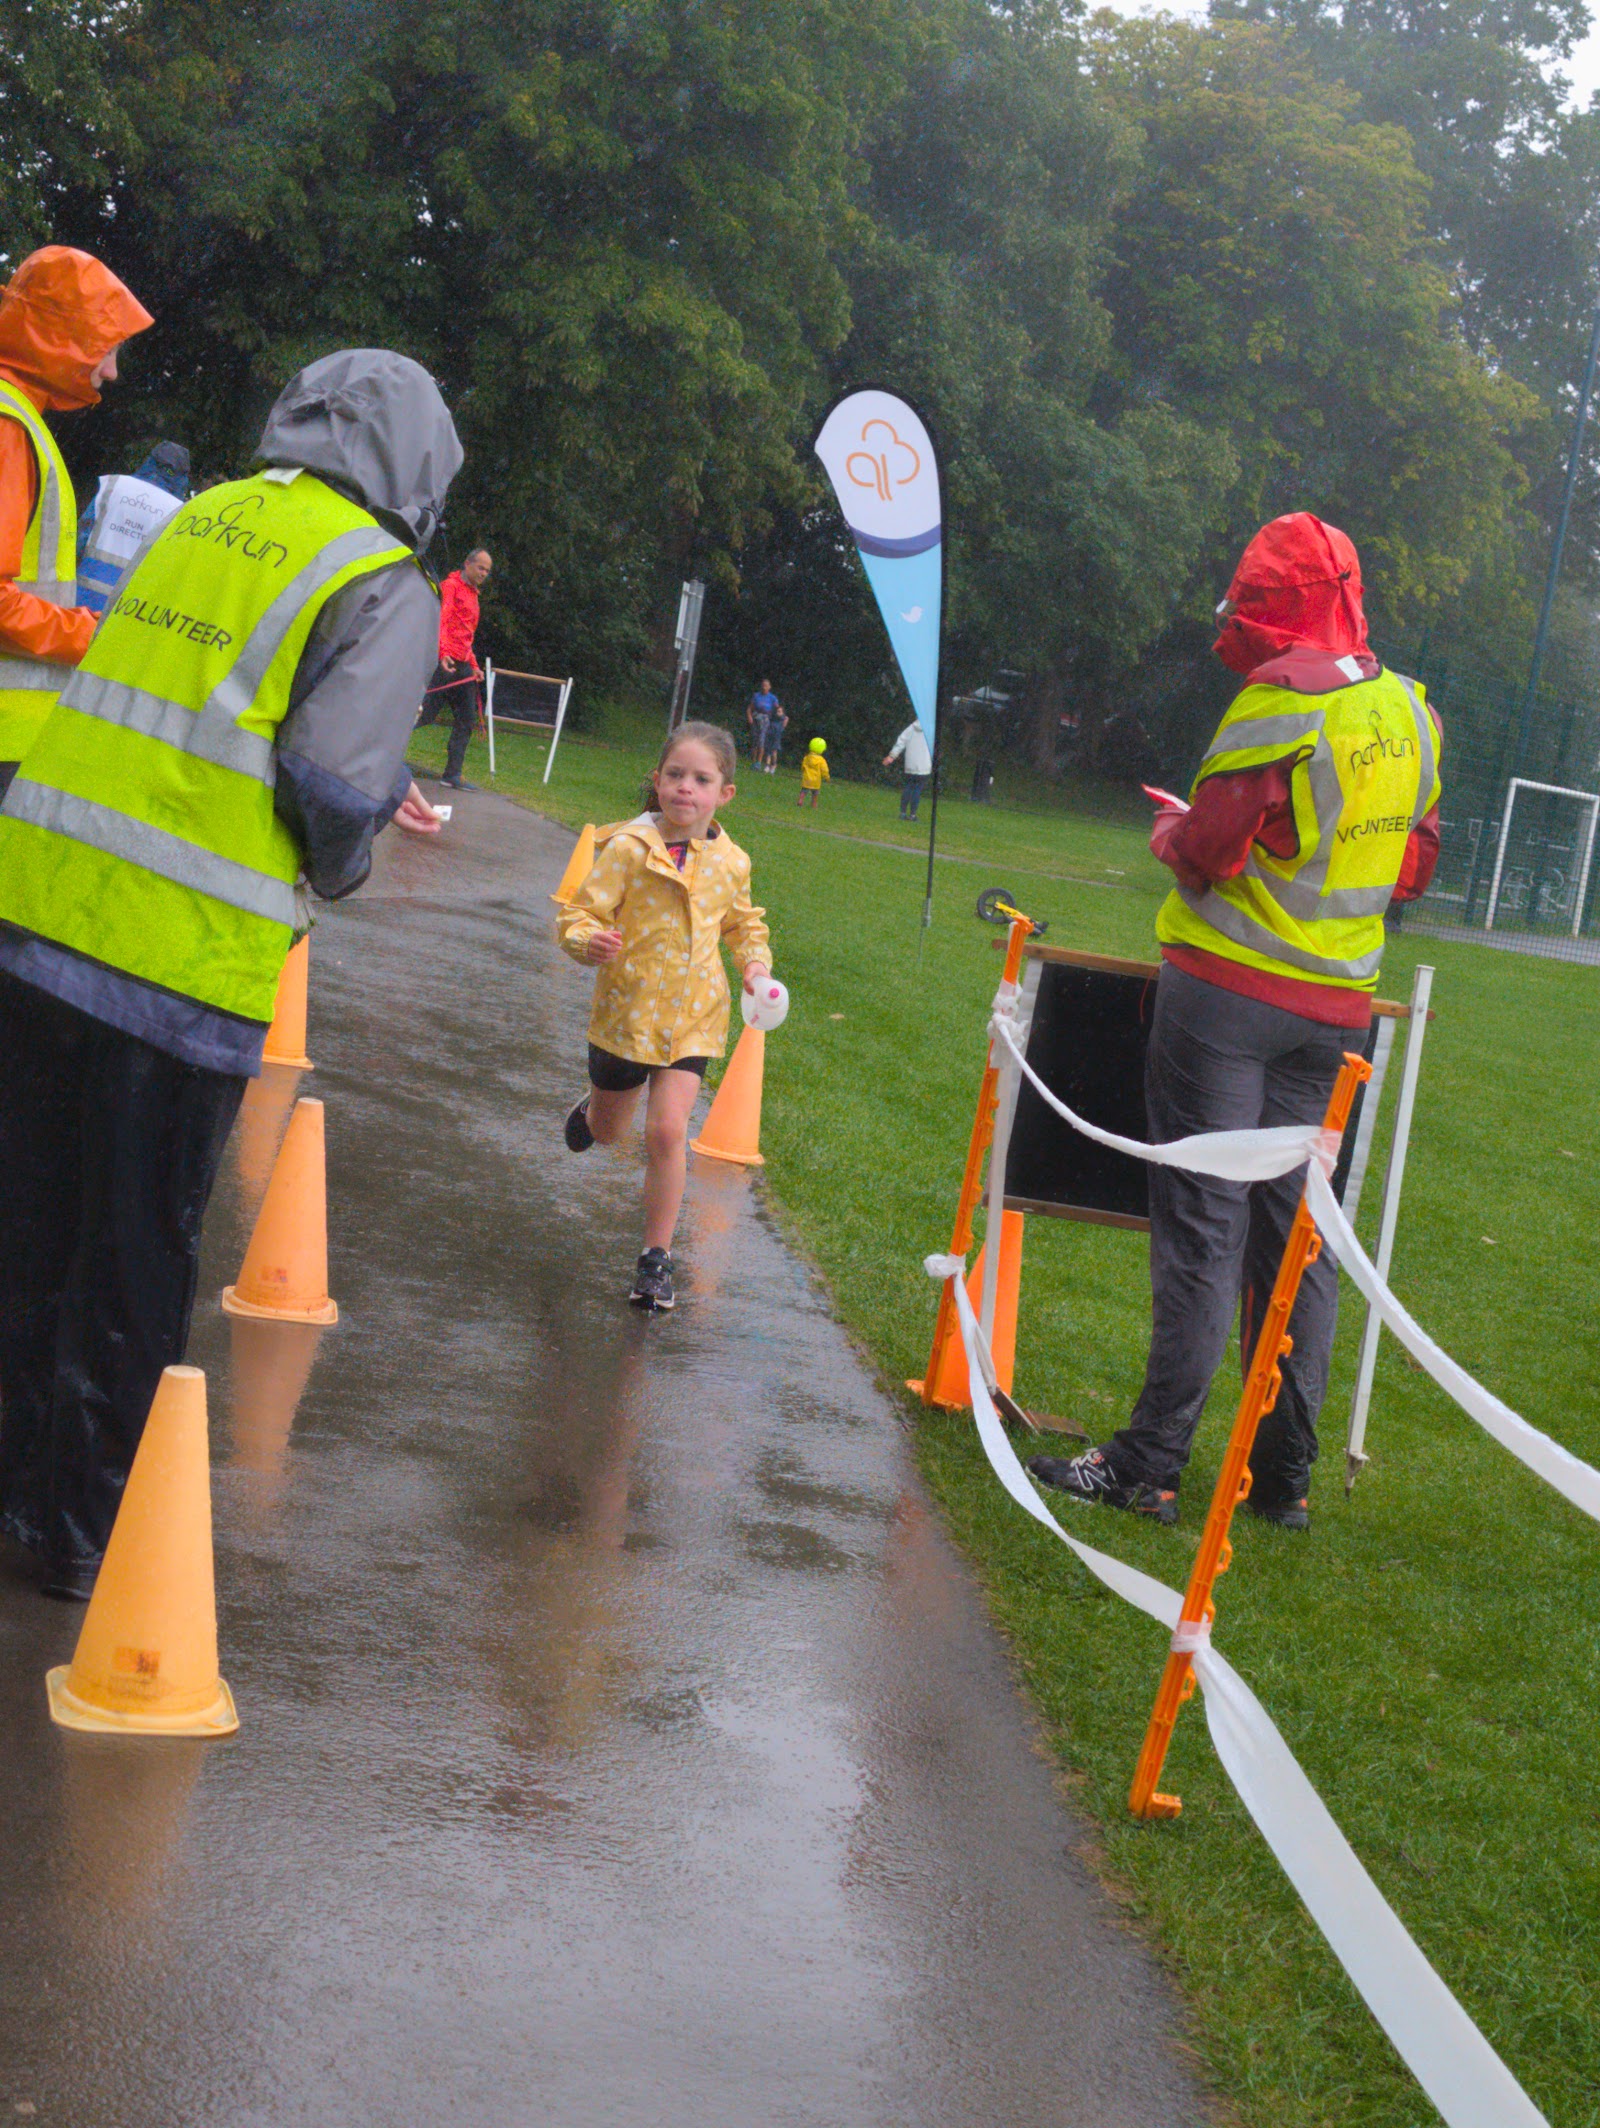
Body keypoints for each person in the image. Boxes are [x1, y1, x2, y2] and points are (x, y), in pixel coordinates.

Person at [0, 347, 460, 1599]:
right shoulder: (380, 580)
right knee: (134, 1257)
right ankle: (80, 1534)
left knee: (28, 1226)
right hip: (176, 959)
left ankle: (12, 1483)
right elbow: (328, 785)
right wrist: (353, 852)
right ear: (418, 468)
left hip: (40, 909)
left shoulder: (208, 512)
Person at [1029, 513, 1441, 1534]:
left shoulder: (1276, 700)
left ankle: (1149, 1463)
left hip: (1225, 998)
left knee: (1201, 1232)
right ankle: (1279, 1478)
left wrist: (1172, 826)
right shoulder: (1414, 713)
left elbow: (1210, 849)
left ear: (1272, 603)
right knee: (1297, 1242)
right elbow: (1412, 870)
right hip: (1336, 1014)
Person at [557, 720, 772, 1313]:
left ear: (724, 793)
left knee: (669, 1132)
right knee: (611, 1132)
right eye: (675, 775)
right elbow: (578, 916)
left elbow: (744, 923)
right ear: (656, 782)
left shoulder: (732, 862)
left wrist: (754, 965)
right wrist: (589, 941)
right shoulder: (627, 848)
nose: (686, 788)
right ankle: (593, 1113)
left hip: (694, 1018)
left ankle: (655, 1261)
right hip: (626, 1017)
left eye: (701, 779)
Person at [0, 246, 153, 794]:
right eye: (105, 349)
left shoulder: (16, 418)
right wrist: (90, 633)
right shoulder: (8, 425)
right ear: (58, 340)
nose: (111, 372)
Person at [75, 440, 191, 614]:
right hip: (128, 610)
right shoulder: (178, 511)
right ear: (182, 476)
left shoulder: (113, 485)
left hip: (81, 598)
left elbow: (79, 537)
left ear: (149, 461)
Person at [420, 545, 491, 788]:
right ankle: (386, 758)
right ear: (467, 564)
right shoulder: (450, 587)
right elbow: (441, 619)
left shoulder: (473, 594)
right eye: (480, 567)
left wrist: (474, 665)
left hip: (463, 665)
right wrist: (442, 653)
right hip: (445, 662)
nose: (484, 573)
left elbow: (466, 634)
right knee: (425, 713)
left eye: (487, 570)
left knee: (467, 718)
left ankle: (452, 774)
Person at [883, 717, 932, 820]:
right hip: (924, 764)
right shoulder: (931, 729)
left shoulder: (911, 728)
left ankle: (903, 812)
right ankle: (913, 814)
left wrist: (892, 756)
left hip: (910, 763)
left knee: (909, 787)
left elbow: (900, 742)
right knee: (917, 789)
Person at [747, 676, 781, 768]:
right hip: (756, 718)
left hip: (765, 720)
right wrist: (749, 716)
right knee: (755, 740)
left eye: (766, 686)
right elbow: (750, 708)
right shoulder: (756, 696)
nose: (764, 687)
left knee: (761, 741)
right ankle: (753, 762)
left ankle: (759, 762)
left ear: (769, 687)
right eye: (763, 685)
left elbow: (778, 709)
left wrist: (780, 717)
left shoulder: (772, 698)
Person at [797, 734, 829, 808]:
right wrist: (827, 777)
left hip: (807, 779)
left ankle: (800, 800)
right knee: (815, 793)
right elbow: (824, 770)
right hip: (816, 780)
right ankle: (814, 804)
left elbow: (803, 766)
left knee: (804, 791)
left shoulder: (807, 757)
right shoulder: (821, 760)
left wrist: (803, 772)